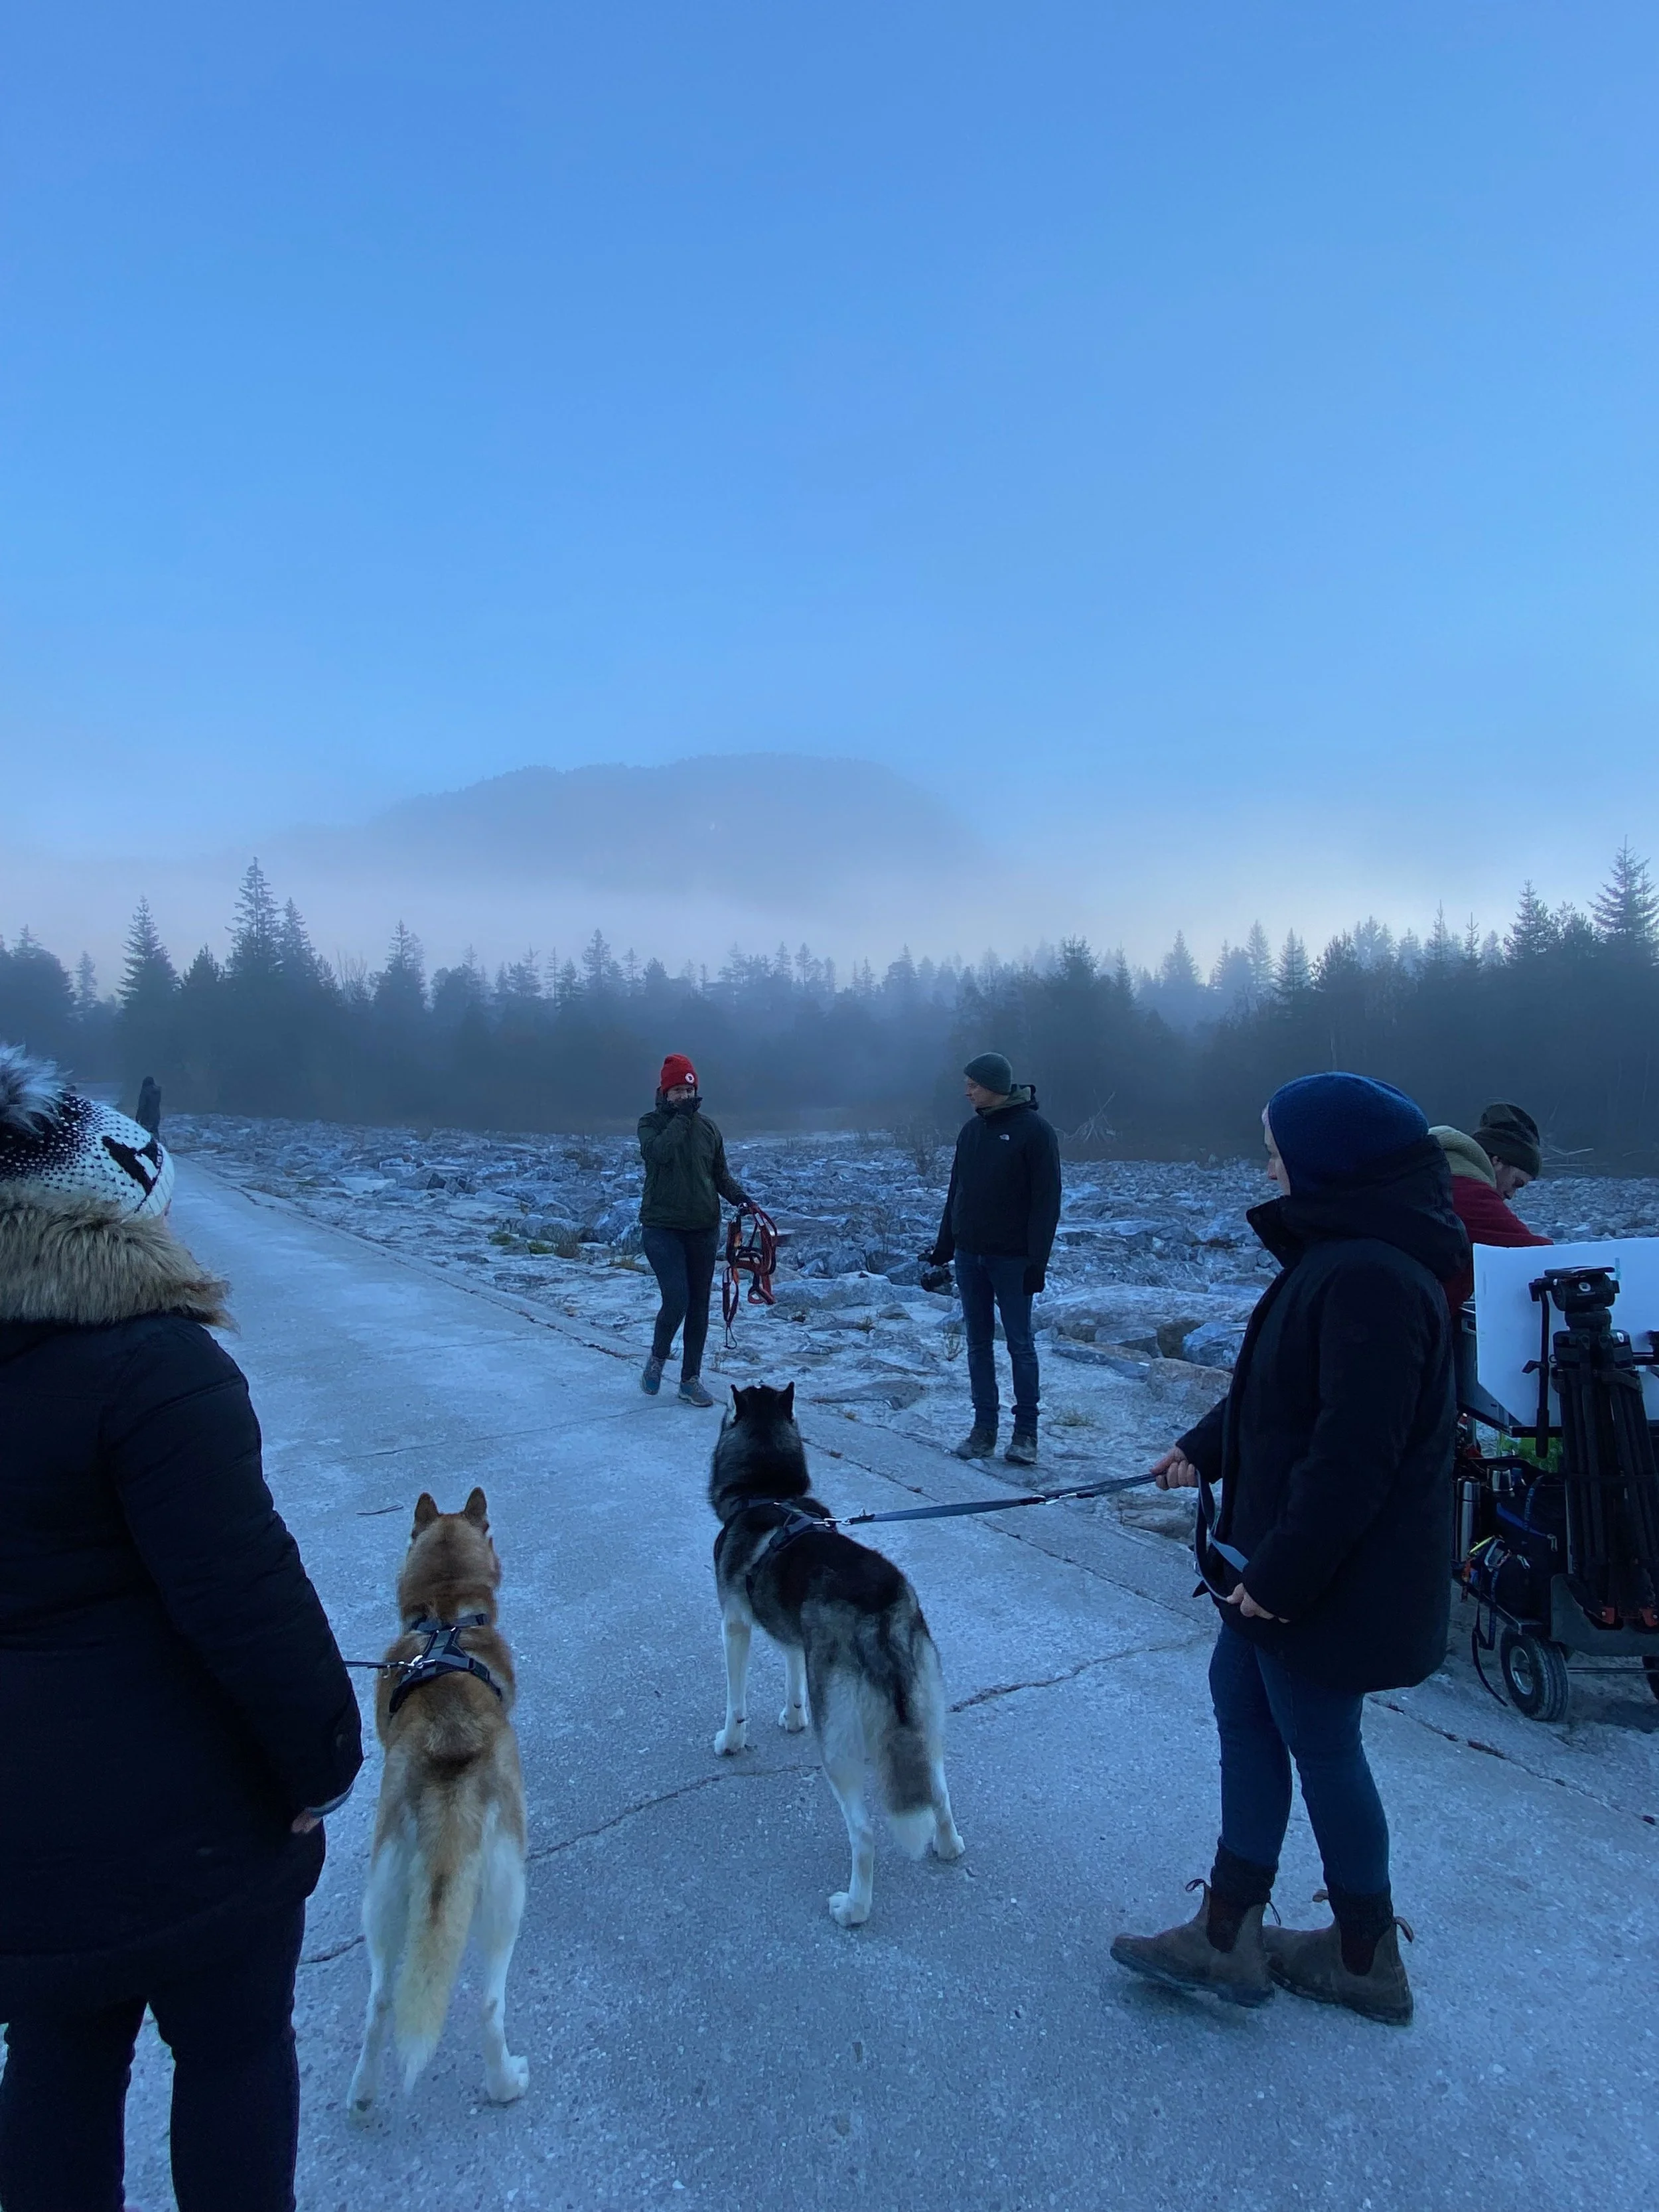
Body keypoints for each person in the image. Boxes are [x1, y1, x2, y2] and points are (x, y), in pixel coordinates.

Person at [0, 1046, 363, 2212]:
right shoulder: (156, 1366)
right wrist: (319, 1760)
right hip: (191, 1822)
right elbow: (244, 1591)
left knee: (55, 2066)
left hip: (20, 1834)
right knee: (236, 2054)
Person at [1110, 1072, 1465, 2026]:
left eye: (1276, 1147)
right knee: (1245, 1706)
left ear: (1330, 1163)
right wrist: (1202, 1445)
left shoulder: (1374, 1277)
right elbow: (1282, 1396)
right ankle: (1230, 1931)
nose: (1265, 1162)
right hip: (1273, 1567)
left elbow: (1355, 1456)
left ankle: (1362, 1955)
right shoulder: (1340, 1260)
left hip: (1319, 1582)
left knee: (1322, 1743)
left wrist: (1282, 1577)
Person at [927, 1051, 1062, 1467]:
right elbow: (957, 1193)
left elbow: (1046, 1203)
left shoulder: (1036, 1133)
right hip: (970, 1256)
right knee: (977, 1344)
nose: (966, 1091)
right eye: (967, 1084)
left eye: (974, 1084)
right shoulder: (971, 1132)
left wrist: (1036, 1263)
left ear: (996, 1088)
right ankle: (983, 1429)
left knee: (1020, 1345)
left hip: (1013, 1260)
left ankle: (1026, 1435)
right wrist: (944, 1248)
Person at [637, 1053, 752, 1408]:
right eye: (677, 1092)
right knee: (678, 1297)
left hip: (704, 1229)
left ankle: (690, 1379)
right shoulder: (650, 1124)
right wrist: (681, 1121)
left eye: (689, 1091)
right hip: (662, 1229)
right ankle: (657, 1359)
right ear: (665, 1092)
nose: (684, 1098)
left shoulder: (709, 1129)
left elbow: (719, 1175)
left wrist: (740, 1197)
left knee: (700, 1306)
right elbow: (659, 1154)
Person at [1431, 1101, 1549, 1311]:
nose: (1511, 1195)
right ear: (1497, 1161)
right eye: (1517, 1183)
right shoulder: (1468, 1191)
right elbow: (1538, 1252)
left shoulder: (1439, 1176)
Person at [135, 1073, 163, 1138]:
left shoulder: (145, 1091)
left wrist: (138, 1117)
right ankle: (160, 1146)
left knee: (145, 1135)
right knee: (155, 1132)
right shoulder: (157, 1092)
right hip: (156, 1117)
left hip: (146, 1118)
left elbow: (142, 1106)